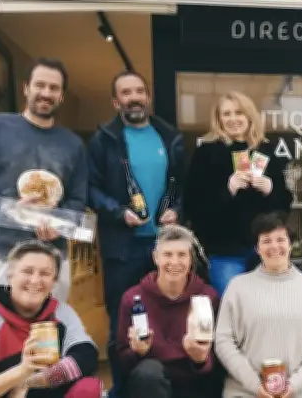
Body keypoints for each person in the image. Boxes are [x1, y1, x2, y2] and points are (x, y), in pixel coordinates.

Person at [0, 58, 88, 317]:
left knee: (45, 342)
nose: (46, 93)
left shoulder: (73, 145)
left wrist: (57, 223)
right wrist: (7, 207)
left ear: (62, 96)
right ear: (26, 88)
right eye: (40, 85)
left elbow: (78, 200)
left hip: (50, 258)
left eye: (54, 88)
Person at [87, 71, 188, 397]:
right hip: (123, 248)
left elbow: (181, 185)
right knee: (122, 323)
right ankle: (122, 389)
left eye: (139, 91)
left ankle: (158, 386)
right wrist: (118, 212)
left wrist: (176, 209)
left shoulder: (169, 136)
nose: (134, 97)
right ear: (117, 101)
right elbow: (90, 188)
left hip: (165, 246)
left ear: (148, 97)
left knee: (169, 319)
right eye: (126, 93)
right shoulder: (104, 139)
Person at [0, 240, 101, 398]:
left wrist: (30, 382)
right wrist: (22, 370)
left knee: (89, 387)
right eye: (27, 271)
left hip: (44, 390)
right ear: (10, 276)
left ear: (54, 282)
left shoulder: (62, 313)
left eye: (45, 274)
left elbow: (85, 355)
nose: (35, 280)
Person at [184, 91, 293, 296]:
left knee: (266, 309)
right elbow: (193, 207)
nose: (233, 119)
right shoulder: (206, 154)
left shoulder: (266, 151)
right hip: (224, 251)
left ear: (249, 116)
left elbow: (284, 204)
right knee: (232, 308)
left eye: (239, 113)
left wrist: (270, 189)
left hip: (264, 248)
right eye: (226, 114)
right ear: (218, 119)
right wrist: (228, 190)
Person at [214, 212, 302, 398]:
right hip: (244, 392)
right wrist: (255, 386)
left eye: (281, 239)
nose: (274, 246)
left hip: (301, 393)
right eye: (267, 241)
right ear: (257, 248)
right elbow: (223, 341)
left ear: (291, 244)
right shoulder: (237, 287)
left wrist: (294, 384)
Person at [115, 225, 219, 398]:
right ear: (156, 258)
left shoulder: (208, 297)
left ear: (191, 259)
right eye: (167, 255)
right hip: (151, 384)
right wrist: (136, 352)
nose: (174, 262)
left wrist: (201, 360)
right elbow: (121, 360)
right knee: (147, 372)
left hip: (194, 381)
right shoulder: (132, 298)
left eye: (182, 255)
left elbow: (218, 358)